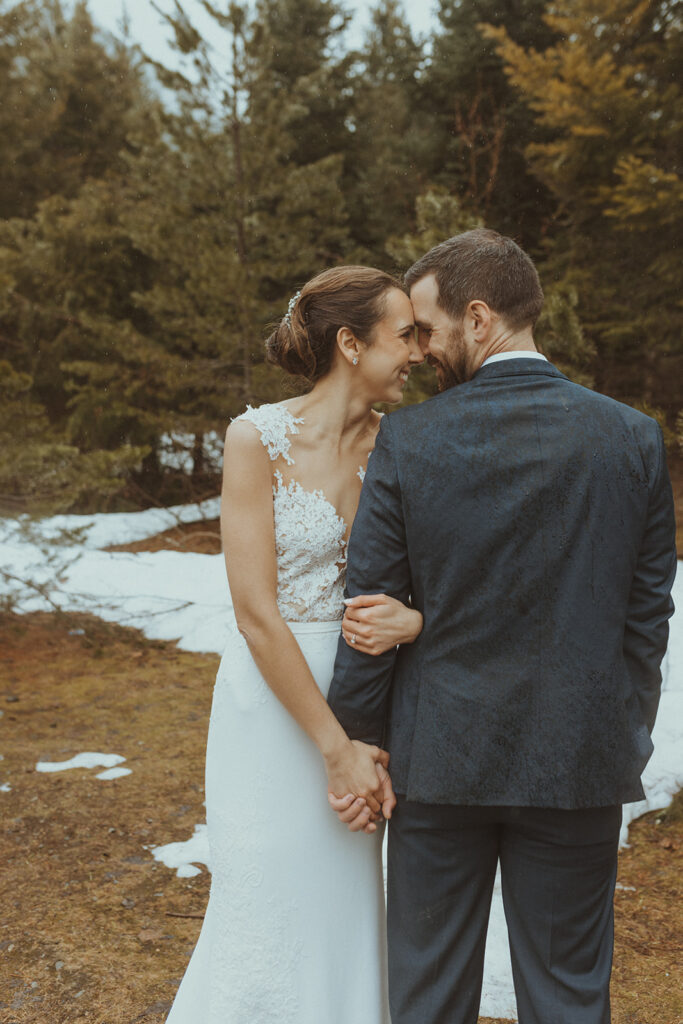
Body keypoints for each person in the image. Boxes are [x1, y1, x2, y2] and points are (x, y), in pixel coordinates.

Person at [328, 229, 677, 1024]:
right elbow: (644, 614)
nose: (418, 347)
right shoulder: (632, 438)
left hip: (437, 760)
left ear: (478, 318)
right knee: (567, 995)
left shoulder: (409, 441)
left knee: (427, 996)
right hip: (578, 757)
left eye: (425, 327)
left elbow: (369, 607)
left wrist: (361, 741)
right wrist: (621, 732)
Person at [165, 265, 424, 1024]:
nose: (417, 351)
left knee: (344, 898)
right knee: (267, 889)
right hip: (272, 706)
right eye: (404, 334)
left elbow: (439, 573)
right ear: (351, 342)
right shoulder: (257, 438)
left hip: (372, 692)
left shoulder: (405, 442)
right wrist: (333, 747)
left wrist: (414, 623)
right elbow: (254, 612)